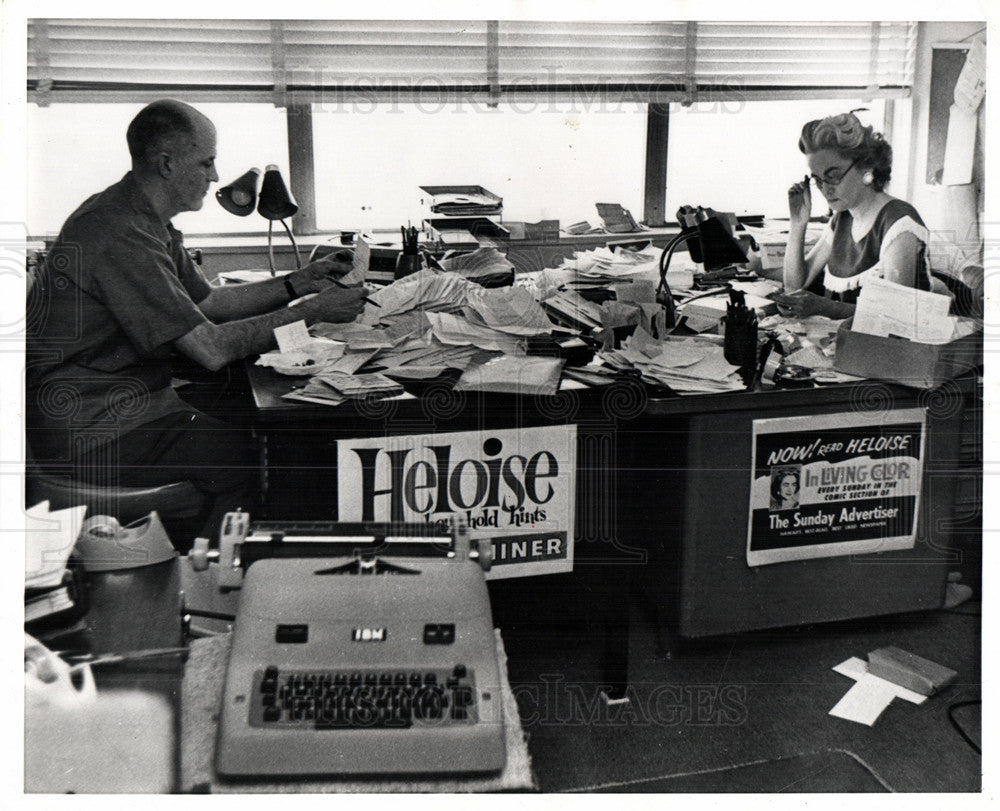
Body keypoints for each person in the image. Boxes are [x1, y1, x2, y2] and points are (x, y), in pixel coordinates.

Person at [26, 99, 367, 548]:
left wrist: (299, 283)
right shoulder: (116, 231)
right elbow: (211, 348)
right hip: (90, 431)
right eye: (207, 161)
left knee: (253, 423)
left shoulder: (145, 220)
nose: (215, 176)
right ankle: (204, 583)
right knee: (258, 457)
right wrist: (314, 311)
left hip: (118, 409)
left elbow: (208, 303)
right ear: (167, 164)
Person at [776, 111, 936, 319]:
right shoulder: (844, 218)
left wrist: (825, 307)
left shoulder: (899, 222)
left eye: (833, 176)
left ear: (865, 167)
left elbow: (897, 316)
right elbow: (794, 285)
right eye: (818, 179)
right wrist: (798, 224)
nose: (826, 189)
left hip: (905, 346)